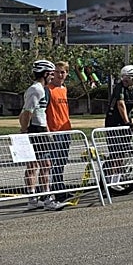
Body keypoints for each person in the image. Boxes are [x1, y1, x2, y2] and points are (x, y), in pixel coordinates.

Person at [20, 59, 56, 211]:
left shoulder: (42, 89)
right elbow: (27, 111)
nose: (52, 77)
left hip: (40, 129)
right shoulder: (37, 89)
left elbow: (41, 113)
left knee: (41, 164)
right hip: (35, 130)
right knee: (38, 164)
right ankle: (42, 198)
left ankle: (37, 197)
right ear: (45, 74)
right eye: (51, 74)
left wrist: (47, 131)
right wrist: (25, 130)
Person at [46, 61, 74, 196]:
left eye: (62, 72)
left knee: (62, 160)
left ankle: (60, 185)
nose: (59, 75)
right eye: (57, 72)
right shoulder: (48, 89)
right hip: (54, 129)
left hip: (65, 129)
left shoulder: (64, 89)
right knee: (54, 161)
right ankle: (55, 189)